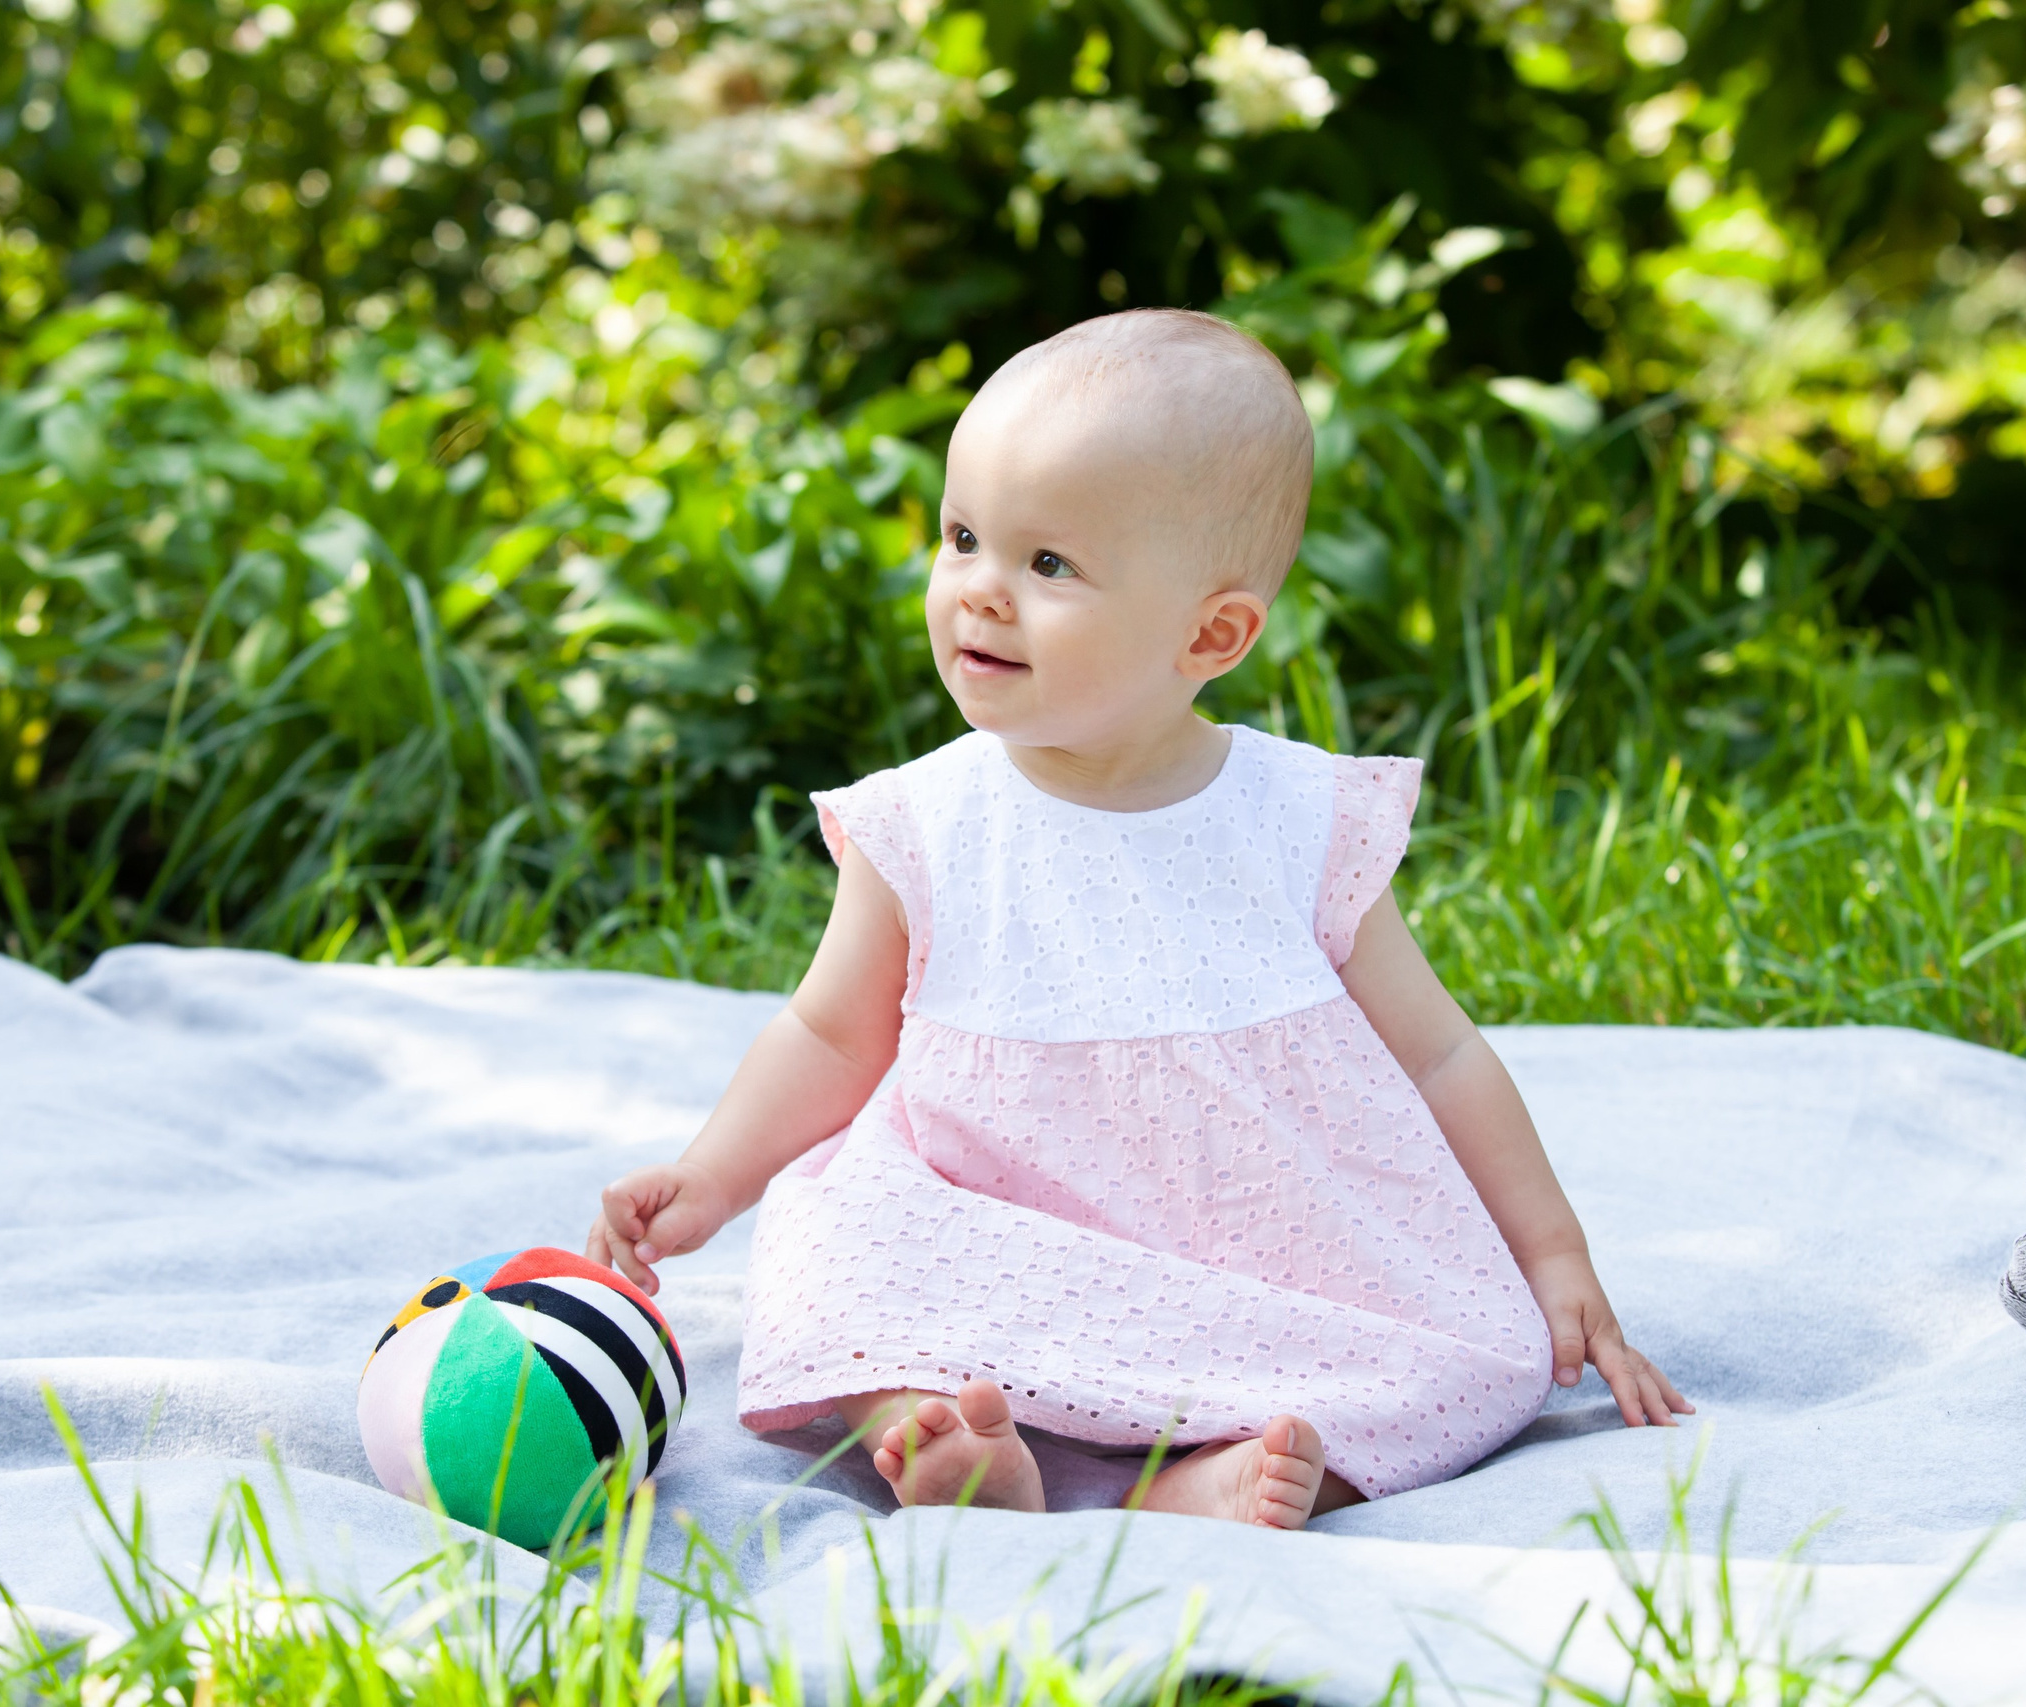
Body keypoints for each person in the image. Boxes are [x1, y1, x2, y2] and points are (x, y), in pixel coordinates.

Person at [586, 308, 1690, 1528]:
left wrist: (1550, 1256)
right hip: (993, 1223)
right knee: (836, 1249)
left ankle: (1204, 1482)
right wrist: (710, 1176)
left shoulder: (1293, 815)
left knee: (1457, 1355)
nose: (979, 595)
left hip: (1255, 1242)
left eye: (1047, 565)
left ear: (1209, 634)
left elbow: (1437, 1051)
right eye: (962, 540)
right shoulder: (927, 822)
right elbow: (830, 1037)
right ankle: (944, 1439)